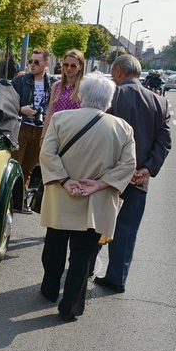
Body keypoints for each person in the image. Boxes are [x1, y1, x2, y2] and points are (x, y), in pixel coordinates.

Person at [38, 74, 136, 320]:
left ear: (81, 95)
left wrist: (65, 181)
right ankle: (71, 306)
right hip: (96, 201)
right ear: (109, 100)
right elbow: (128, 165)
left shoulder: (61, 119)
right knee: (82, 258)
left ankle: (49, 289)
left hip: (61, 196)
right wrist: (99, 184)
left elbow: (47, 154)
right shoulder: (123, 128)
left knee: (54, 248)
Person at [90, 55, 172, 293]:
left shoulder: (111, 96)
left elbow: (100, 134)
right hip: (139, 180)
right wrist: (147, 169)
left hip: (107, 176)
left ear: (117, 71)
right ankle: (117, 278)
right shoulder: (159, 101)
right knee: (126, 229)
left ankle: (85, 267)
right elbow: (164, 141)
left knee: (96, 224)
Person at [11, 48, 59, 190]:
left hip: (42, 131)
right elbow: (7, 101)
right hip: (22, 127)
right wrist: (21, 109)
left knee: (28, 169)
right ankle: (10, 197)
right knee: (15, 166)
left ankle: (21, 197)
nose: (32, 65)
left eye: (36, 62)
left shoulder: (54, 83)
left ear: (46, 63)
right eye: (30, 61)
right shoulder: (20, 80)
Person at [41, 49, 85, 134]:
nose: (68, 68)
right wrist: (43, 136)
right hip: (55, 132)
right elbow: (49, 113)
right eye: (66, 65)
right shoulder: (56, 86)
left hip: (73, 134)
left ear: (81, 66)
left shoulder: (84, 88)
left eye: (73, 66)